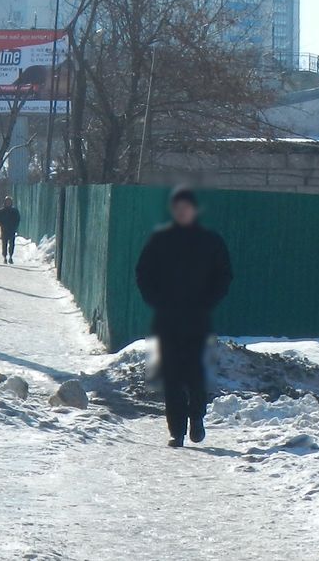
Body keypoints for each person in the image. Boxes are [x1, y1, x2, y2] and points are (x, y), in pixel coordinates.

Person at [135, 187, 233, 448]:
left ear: (194, 210)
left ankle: (196, 418)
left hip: (198, 317)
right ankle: (176, 430)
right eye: (178, 208)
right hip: (167, 318)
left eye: (186, 208)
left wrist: (208, 301)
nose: (182, 212)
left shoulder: (210, 241)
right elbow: (143, 273)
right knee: (171, 374)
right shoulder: (160, 240)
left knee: (196, 372)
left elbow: (224, 274)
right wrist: (156, 300)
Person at [0, 196, 21, 264]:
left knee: (12, 244)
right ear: (5, 203)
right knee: (4, 244)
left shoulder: (14, 211)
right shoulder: (1, 211)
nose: (8, 203)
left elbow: (18, 219)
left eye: (9, 202)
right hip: (4, 230)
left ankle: (11, 256)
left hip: (12, 230)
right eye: (7, 202)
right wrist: (1, 224)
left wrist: (15, 226)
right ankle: (5, 257)